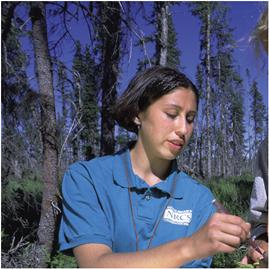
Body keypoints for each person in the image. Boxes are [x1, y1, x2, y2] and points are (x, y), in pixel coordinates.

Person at [59, 66, 250, 267]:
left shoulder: (199, 200)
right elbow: (95, 264)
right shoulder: (88, 179)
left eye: (190, 119)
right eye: (171, 114)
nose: (183, 129)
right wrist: (190, 247)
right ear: (137, 114)